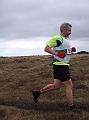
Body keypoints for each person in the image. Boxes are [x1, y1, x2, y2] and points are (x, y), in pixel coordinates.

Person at [32, 23, 76, 111]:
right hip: (60, 65)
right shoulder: (57, 38)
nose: (70, 32)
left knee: (56, 86)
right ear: (63, 30)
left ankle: (38, 93)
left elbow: (62, 51)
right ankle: (71, 107)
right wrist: (57, 53)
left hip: (62, 65)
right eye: (69, 30)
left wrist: (70, 50)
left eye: (71, 30)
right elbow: (47, 48)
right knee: (69, 85)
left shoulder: (65, 40)